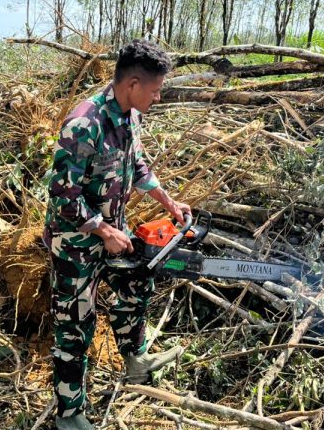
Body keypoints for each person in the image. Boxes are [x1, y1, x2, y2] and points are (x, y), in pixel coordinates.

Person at [44, 39, 191, 430]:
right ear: (133, 84)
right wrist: (102, 229)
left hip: (113, 231)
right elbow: (62, 195)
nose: (158, 97)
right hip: (75, 242)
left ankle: (135, 359)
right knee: (75, 324)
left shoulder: (130, 117)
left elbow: (137, 166)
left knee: (136, 285)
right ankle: (69, 415)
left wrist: (168, 202)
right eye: (155, 90)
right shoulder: (85, 123)